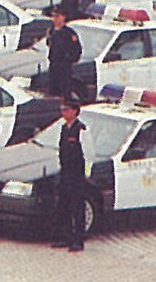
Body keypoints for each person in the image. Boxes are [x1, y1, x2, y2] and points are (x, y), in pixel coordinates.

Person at [50, 99, 94, 252]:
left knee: (77, 207)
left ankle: (78, 240)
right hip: (65, 173)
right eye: (62, 110)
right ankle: (65, 237)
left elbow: (88, 154)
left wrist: (86, 173)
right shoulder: (63, 128)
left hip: (77, 175)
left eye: (66, 110)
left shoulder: (81, 130)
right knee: (63, 205)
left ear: (75, 111)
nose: (63, 113)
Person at [47, 6, 82, 98]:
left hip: (64, 67)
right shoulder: (51, 31)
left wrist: (68, 59)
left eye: (57, 16)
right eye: (53, 16)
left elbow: (77, 50)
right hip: (53, 65)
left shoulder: (69, 33)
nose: (55, 19)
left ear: (63, 17)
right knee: (53, 91)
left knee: (65, 90)